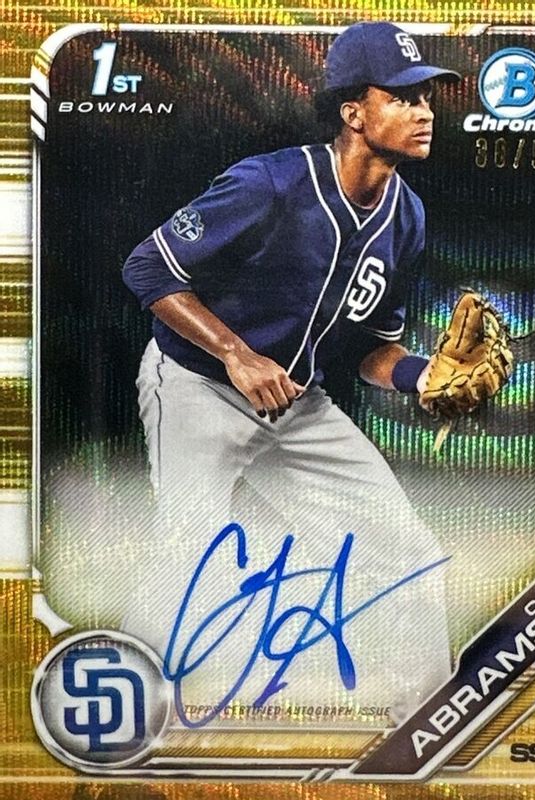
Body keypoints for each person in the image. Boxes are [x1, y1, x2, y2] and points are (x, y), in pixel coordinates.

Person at [122, 22, 461, 727]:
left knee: (407, 553)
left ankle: (421, 729)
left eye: (427, 96)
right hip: (195, 385)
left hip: (297, 402)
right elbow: (148, 268)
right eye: (403, 96)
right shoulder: (270, 182)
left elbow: (370, 350)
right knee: (192, 559)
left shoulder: (407, 217)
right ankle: (130, 718)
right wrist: (234, 352)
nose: (424, 110)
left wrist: (422, 377)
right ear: (354, 113)